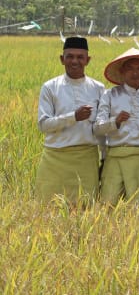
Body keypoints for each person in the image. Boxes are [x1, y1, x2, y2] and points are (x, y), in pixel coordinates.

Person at [35, 37, 105, 203]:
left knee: (86, 210)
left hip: (86, 159)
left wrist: (105, 158)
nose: (75, 61)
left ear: (87, 60)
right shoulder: (50, 87)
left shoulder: (98, 88)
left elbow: (101, 129)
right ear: (62, 59)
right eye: (70, 56)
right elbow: (43, 124)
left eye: (80, 57)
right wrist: (73, 117)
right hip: (55, 158)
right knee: (49, 210)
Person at [94, 48, 139, 204]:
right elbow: (98, 128)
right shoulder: (110, 95)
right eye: (130, 68)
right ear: (122, 71)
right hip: (115, 158)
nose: (135, 73)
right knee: (108, 206)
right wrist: (116, 122)